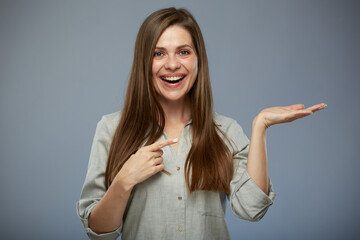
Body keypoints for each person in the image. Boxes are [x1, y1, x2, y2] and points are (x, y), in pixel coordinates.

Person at [76, 7, 326, 240]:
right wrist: (124, 181)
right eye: (158, 53)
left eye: (183, 52)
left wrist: (261, 126)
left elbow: (252, 209)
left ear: (198, 60)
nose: (172, 64)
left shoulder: (226, 131)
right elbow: (98, 232)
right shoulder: (111, 129)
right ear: (144, 62)